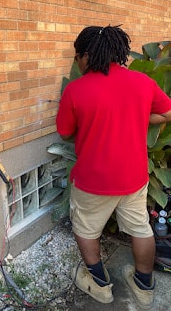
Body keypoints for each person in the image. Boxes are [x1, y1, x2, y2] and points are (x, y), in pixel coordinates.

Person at [56, 25, 171, 309]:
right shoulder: (142, 83)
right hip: (134, 177)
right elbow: (167, 113)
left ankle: (101, 286)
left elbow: (65, 132)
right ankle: (144, 288)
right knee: (140, 228)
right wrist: (140, 117)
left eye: (76, 57)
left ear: (86, 56)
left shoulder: (76, 89)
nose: (76, 63)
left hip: (94, 181)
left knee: (86, 229)